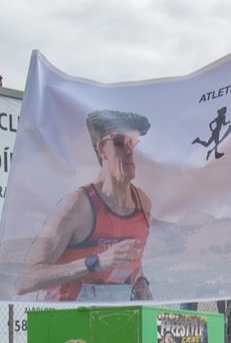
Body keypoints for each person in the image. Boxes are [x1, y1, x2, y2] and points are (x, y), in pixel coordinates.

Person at [15, 110, 153, 301]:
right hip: (69, 322)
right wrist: (94, 262)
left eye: (133, 143)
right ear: (101, 149)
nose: (129, 151)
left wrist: (141, 281)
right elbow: (23, 280)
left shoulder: (142, 203)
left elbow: (131, 261)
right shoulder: (78, 206)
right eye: (120, 142)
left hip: (114, 320)